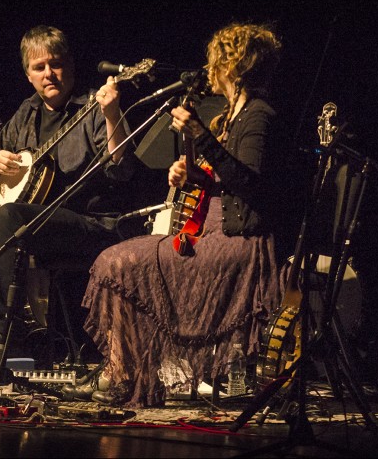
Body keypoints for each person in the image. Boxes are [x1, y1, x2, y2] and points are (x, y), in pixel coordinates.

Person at [72, 23, 294, 407]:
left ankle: (123, 373)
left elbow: (250, 184)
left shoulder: (258, 115)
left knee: (122, 263)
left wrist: (201, 138)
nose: (210, 68)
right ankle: (125, 371)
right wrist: (191, 174)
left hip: (242, 244)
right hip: (213, 234)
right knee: (117, 261)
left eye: (217, 60)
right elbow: (224, 178)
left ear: (233, 65)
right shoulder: (231, 114)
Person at [0, 25, 137, 374]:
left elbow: (122, 170)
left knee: (12, 216)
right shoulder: (27, 112)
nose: (49, 73)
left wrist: (111, 114)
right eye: (39, 67)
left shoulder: (93, 106)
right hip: (26, 223)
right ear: (28, 75)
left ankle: (1, 335)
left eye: (57, 63)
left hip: (85, 222)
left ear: (71, 65)